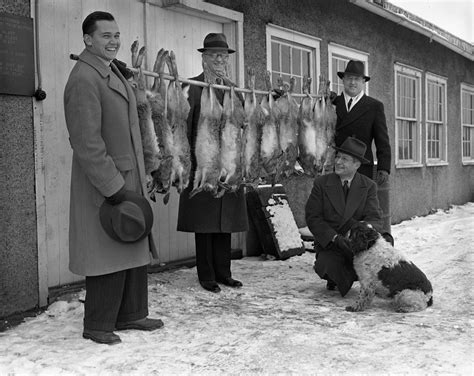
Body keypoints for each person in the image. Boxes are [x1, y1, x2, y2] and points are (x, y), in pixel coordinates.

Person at [64, 11, 163, 345]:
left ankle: (131, 313)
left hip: (128, 174)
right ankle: (98, 324)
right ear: (88, 39)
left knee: (131, 243)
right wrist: (112, 186)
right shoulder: (84, 78)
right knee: (107, 252)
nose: (114, 41)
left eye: (117, 35)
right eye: (106, 36)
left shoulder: (112, 72)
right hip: (107, 182)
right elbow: (86, 142)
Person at [177, 33, 248, 293]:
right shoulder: (192, 87)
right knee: (205, 224)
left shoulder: (233, 90)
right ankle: (206, 275)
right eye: (214, 55)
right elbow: (184, 125)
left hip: (229, 165)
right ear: (204, 58)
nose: (219, 59)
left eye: (223, 55)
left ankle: (224, 272)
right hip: (203, 163)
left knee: (224, 222)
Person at [305, 137, 384, 297]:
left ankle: (370, 278)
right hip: (333, 245)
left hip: (358, 244)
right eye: (338, 157)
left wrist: (356, 236)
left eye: (345, 159)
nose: (338, 162)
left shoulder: (368, 186)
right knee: (327, 264)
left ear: (357, 165)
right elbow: (313, 217)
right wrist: (335, 238)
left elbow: (374, 218)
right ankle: (336, 278)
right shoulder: (321, 183)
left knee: (387, 243)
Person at [332, 60, 392, 234]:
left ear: (363, 82)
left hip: (362, 167)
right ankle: (338, 250)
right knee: (337, 210)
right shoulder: (332, 103)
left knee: (360, 212)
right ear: (343, 80)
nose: (352, 83)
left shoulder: (374, 106)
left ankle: (361, 250)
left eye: (357, 79)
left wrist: (383, 167)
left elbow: (382, 140)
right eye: (349, 78)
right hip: (336, 166)